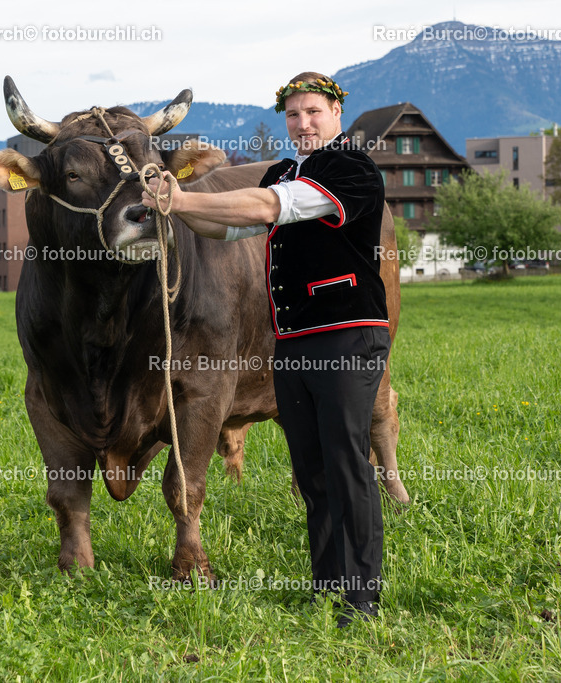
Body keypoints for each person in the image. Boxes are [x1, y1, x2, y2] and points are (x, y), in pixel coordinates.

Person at [142, 72, 390, 625]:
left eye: (314, 112)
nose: (303, 123)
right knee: (312, 468)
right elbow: (228, 230)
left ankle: (361, 599)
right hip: (292, 343)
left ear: (337, 114)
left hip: (346, 335)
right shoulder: (283, 171)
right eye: (293, 114)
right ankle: (327, 587)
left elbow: (266, 209)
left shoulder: (351, 168)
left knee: (346, 464)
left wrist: (182, 195)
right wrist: (173, 208)